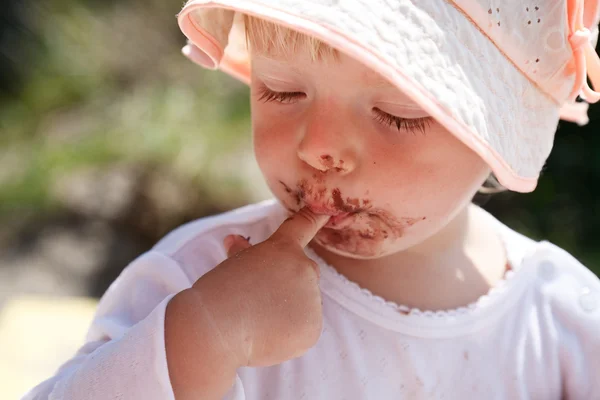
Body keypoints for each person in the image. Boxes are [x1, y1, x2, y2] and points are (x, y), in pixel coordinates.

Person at [23, 0, 600, 399]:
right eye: (283, 89)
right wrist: (205, 337)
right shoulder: (201, 280)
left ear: (500, 130)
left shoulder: (566, 321)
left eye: (397, 115)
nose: (320, 147)